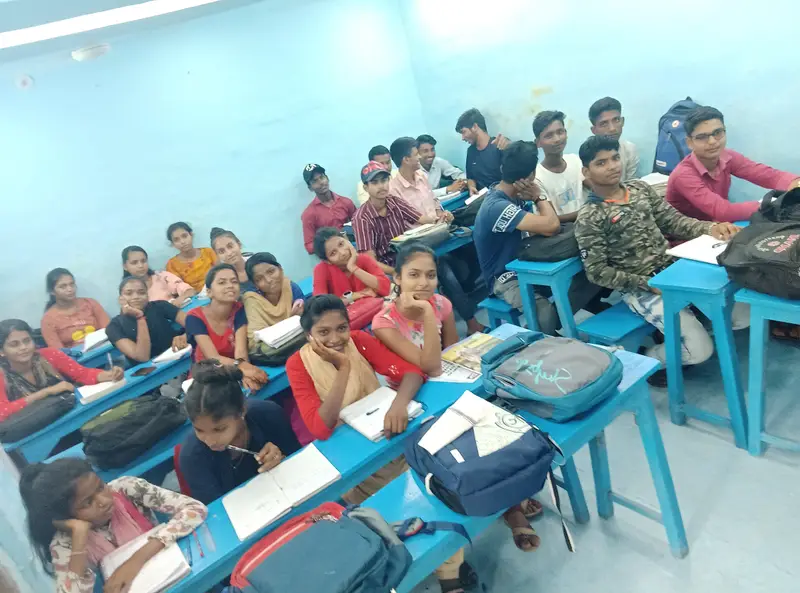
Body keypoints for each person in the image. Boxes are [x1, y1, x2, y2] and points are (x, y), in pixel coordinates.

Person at [286, 295, 475, 592]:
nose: (335, 339)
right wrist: (343, 368)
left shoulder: (359, 340)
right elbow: (320, 427)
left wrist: (399, 406)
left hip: (385, 436)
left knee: (431, 502)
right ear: (308, 335)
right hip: (351, 458)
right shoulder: (298, 364)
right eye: (323, 332)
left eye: (341, 328)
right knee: (386, 521)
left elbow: (412, 373)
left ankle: (449, 575)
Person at [372, 243, 544, 552]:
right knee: (460, 450)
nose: (423, 283)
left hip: (446, 388)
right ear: (397, 278)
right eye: (414, 275)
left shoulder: (442, 303)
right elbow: (429, 366)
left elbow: (453, 353)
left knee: (490, 431)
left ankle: (507, 499)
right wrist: (427, 314)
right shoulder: (385, 322)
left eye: (431, 275)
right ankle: (496, 504)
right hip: (413, 400)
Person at [575, 135, 741, 384]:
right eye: (601, 163)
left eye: (615, 158)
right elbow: (597, 271)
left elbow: (673, 221)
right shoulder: (590, 216)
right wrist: (647, 284)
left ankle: (684, 332)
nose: (612, 166)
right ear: (586, 172)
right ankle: (645, 359)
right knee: (700, 351)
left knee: (738, 312)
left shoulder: (639, 189)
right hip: (643, 289)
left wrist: (711, 228)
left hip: (673, 272)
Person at [19, 459, 206, 593]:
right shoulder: (64, 544)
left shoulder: (125, 489)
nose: (104, 500)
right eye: (87, 503)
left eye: (100, 487)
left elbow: (195, 509)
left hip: (180, 575)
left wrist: (136, 560)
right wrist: (79, 538)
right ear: (67, 516)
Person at [353, 161, 485, 335]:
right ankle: (430, 337)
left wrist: (440, 218)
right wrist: (396, 272)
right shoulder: (362, 218)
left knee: (443, 268)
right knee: (419, 284)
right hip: (387, 270)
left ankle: (471, 323)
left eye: (384, 180)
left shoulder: (394, 202)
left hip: (408, 259)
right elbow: (370, 262)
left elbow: (421, 219)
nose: (381, 186)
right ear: (366, 187)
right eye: (375, 182)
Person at [179, 360, 301, 504]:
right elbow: (216, 511)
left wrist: (282, 459)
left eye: (219, 429)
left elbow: (301, 465)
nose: (210, 441)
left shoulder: (269, 415)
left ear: (242, 410)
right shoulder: (192, 456)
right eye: (199, 430)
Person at [473, 142, 563, 334]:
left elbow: (542, 228)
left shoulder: (514, 194)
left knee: (572, 281)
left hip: (525, 263)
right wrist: (539, 197)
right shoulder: (496, 206)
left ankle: (543, 330)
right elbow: (551, 226)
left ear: (502, 168)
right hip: (504, 277)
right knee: (543, 309)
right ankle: (544, 343)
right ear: (531, 175)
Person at [666, 105, 800, 222]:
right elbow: (723, 211)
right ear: (689, 142)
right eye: (702, 137)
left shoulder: (727, 156)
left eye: (717, 133)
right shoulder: (683, 175)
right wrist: (773, 205)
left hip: (720, 228)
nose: (712, 141)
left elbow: (767, 175)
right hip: (688, 238)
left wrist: (795, 183)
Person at [0, 319, 123, 422]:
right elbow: (3, 412)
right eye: (14, 344)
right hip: (35, 429)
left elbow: (82, 374)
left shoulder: (49, 355)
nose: (23, 347)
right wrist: (47, 392)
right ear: (1, 351)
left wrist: (108, 375)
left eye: (27, 341)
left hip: (69, 413)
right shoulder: (2, 375)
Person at [185, 264, 268, 392]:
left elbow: (241, 351)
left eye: (234, 281)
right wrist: (241, 369)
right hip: (208, 378)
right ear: (209, 292)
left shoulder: (239, 309)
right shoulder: (195, 317)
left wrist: (244, 372)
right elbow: (213, 357)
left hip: (235, 371)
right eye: (222, 282)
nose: (230, 285)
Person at [312, 228, 390, 330]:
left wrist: (353, 268)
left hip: (377, 314)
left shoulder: (364, 259)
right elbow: (320, 306)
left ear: (346, 239)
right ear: (328, 261)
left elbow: (386, 289)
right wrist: (353, 296)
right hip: (348, 324)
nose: (342, 253)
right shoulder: (321, 269)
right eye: (333, 253)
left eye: (341, 244)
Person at [105, 277, 187, 365]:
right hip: (149, 370)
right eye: (129, 293)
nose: (136, 297)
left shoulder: (160, 306)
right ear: (120, 299)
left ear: (148, 296)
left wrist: (184, 337)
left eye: (141, 293)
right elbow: (142, 357)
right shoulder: (114, 326)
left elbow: (194, 324)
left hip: (177, 357)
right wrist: (140, 318)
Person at [532, 110, 588, 222]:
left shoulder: (575, 160)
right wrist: (587, 212)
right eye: (549, 136)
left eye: (560, 132)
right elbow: (551, 219)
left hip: (589, 224)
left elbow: (596, 187)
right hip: (563, 231)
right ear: (538, 143)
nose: (557, 139)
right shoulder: (537, 177)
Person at [241, 252, 305, 348]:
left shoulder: (290, 287)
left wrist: (302, 313)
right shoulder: (252, 300)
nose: (268, 280)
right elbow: (256, 341)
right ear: (255, 284)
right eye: (259, 278)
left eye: (271, 272)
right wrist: (292, 319)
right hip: (273, 354)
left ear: (280, 269)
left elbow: (309, 322)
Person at [389, 136, 455, 221]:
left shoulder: (421, 176)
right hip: (424, 229)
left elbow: (435, 204)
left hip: (438, 226)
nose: (420, 157)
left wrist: (443, 216)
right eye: (416, 154)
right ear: (406, 159)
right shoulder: (393, 189)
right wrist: (436, 223)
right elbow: (409, 220)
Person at [40, 269, 111, 349]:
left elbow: (110, 331)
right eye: (63, 287)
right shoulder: (48, 320)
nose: (70, 289)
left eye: (72, 284)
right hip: (75, 356)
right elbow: (59, 352)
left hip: (104, 350)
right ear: (52, 292)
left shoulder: (90, 304)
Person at [300, 164, 356, 254]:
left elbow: (361, 225)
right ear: (310, 188)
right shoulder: (309, 214)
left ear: (327, 178)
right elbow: (309, 246)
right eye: (315, 181)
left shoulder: (346, 202)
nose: (321, 182)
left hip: (354, 249)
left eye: (322, 177)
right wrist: (330, 243)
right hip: (332, 256)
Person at [454, 107, 509, 193]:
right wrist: (472, 187)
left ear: (475, 127)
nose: (463, 138)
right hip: (480, 197)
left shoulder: (499, 146)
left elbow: (511, 179)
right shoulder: (471, 151)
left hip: (499, 196)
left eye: (463, 132)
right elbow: (470, 177)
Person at [120, 245, 195, 306]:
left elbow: (189, 290)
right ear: (125, 266)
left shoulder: (161, 276)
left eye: (143, 261)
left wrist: (180, 299)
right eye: (134, 263)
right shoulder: (127, 291)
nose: (140, 266)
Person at [588, 97, 640, 180]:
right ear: (594, 130)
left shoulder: (629, 149)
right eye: (604, 123)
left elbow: (632, 183)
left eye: (616, 120)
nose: (612, 129)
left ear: (622, 121)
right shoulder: (587, 154)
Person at [165, 222, 217, 292]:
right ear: (172, 244)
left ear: (191, 235)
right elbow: (179, 288)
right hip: (192, 297)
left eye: (184, 236)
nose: (182, 242)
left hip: (216, 291)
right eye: (176, 240)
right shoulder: (172, 264)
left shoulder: (208, 252)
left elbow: (221, 272)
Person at [416, 134, 467, 198]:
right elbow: (421, 195)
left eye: (432, 149)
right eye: (425, 151)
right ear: (417, 153)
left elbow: (459, 174)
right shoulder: (413, 169)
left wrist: (462, 183)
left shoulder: (438, 162)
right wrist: (448, 189)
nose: (430, 154)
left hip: (440, 200)